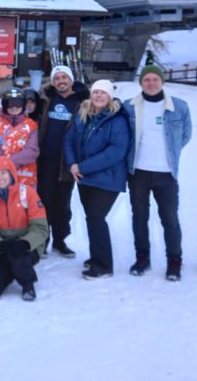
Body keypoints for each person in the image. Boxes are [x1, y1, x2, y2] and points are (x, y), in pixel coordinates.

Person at [123, 65, 192, 281]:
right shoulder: (129, 106)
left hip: (166, 175)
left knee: (170, 219)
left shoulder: (179, 107)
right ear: (141, 82)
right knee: (139, 217)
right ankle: (142, 257)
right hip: (139, 173)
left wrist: (169, 155)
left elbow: (186, 135)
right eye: (147, 80)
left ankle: (174, 261)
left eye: (155, 79)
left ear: (162, 82)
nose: (151, 83)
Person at [64, 80, 130, 279]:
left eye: (103, 93)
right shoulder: (83, 114)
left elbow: (115, 152)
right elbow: (69, 140)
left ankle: (103, 265)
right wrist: (72, 164)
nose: (98, 96)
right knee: (92, 219)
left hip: (106, 179)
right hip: (84, 178)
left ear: (109, 96)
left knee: (96, 218)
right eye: (96, 92)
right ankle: (96, 257)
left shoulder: (117, 119)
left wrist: (81, 166)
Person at [37, 64, 89, 258]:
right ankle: (42, 241)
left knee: (62, 204)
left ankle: (60, 241)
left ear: (71, 80)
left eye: (64, 78)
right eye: (57, 78)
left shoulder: (82, 101)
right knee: (43, 202)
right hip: (45, 160)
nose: (61, 81)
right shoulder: (46, 99)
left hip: (68, 163)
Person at [0, 156, 48, 301]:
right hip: (2, 245)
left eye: (3, 173)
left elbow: (41, 228)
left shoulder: (27, 193)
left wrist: (25, 243)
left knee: (17, 256)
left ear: (11, 173)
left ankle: (27, 283)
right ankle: (10, 270)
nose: (0, 178)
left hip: (26, 244)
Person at [0, 87, 39, 189]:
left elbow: (32, 151)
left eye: (18, 104)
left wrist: (8, 162)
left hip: (26, 176)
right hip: (3, 175)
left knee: (25, 203)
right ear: (4, 105)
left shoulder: (31, 125)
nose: (14, 107)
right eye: (10, 104)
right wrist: (4, 164)